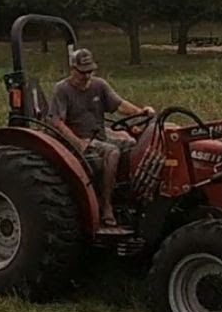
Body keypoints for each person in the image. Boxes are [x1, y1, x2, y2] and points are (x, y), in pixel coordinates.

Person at [47, 48, 153, 227]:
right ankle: (106, 205)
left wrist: (141, 112)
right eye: (83, 72)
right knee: (112, 152)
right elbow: (57, 121)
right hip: (79, 139)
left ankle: (130, 196)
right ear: (73, 69)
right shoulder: (62, 89)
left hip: (100, 135)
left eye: (90, 71)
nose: (87, 76)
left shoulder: (99, 85)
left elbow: (119, 105)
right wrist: (77, 142)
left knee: (133, 144)